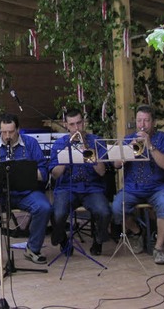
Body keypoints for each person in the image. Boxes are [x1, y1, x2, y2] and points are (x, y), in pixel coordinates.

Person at [0, 113, 52, 267]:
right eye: (3, 132)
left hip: (26, 192)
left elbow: (44, 171)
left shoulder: (30, 143)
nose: (7, 136)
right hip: (0, 193)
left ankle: (33, 248)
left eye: (11, 132)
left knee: (44, 207)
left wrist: (27, 172)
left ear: (18, 129)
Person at [111, 105, 164, 265]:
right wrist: (127, 150)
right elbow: (116, 164)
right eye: (139, 120)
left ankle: (159, 248)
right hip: (133, 187)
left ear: (153, 122)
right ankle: (137, 231)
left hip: (158, 187)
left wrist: (150, 146)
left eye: (146, 120)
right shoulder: (129, 139)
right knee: (117, 208)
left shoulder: (163, 139)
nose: (142, 124)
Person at [49, 108, 111, 256]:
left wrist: (87, 151)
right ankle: (63, 240)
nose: (76, 128)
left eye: (79, 123)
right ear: (66, 125)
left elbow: (102, 171)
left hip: (91, 188)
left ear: (84, 123)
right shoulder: (60, 144)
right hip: (67, 188)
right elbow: (55, 175)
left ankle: (98, 240)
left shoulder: (95, 141)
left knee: (104, 212)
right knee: (57, 214)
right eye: (72, 125)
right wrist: (66, 157)